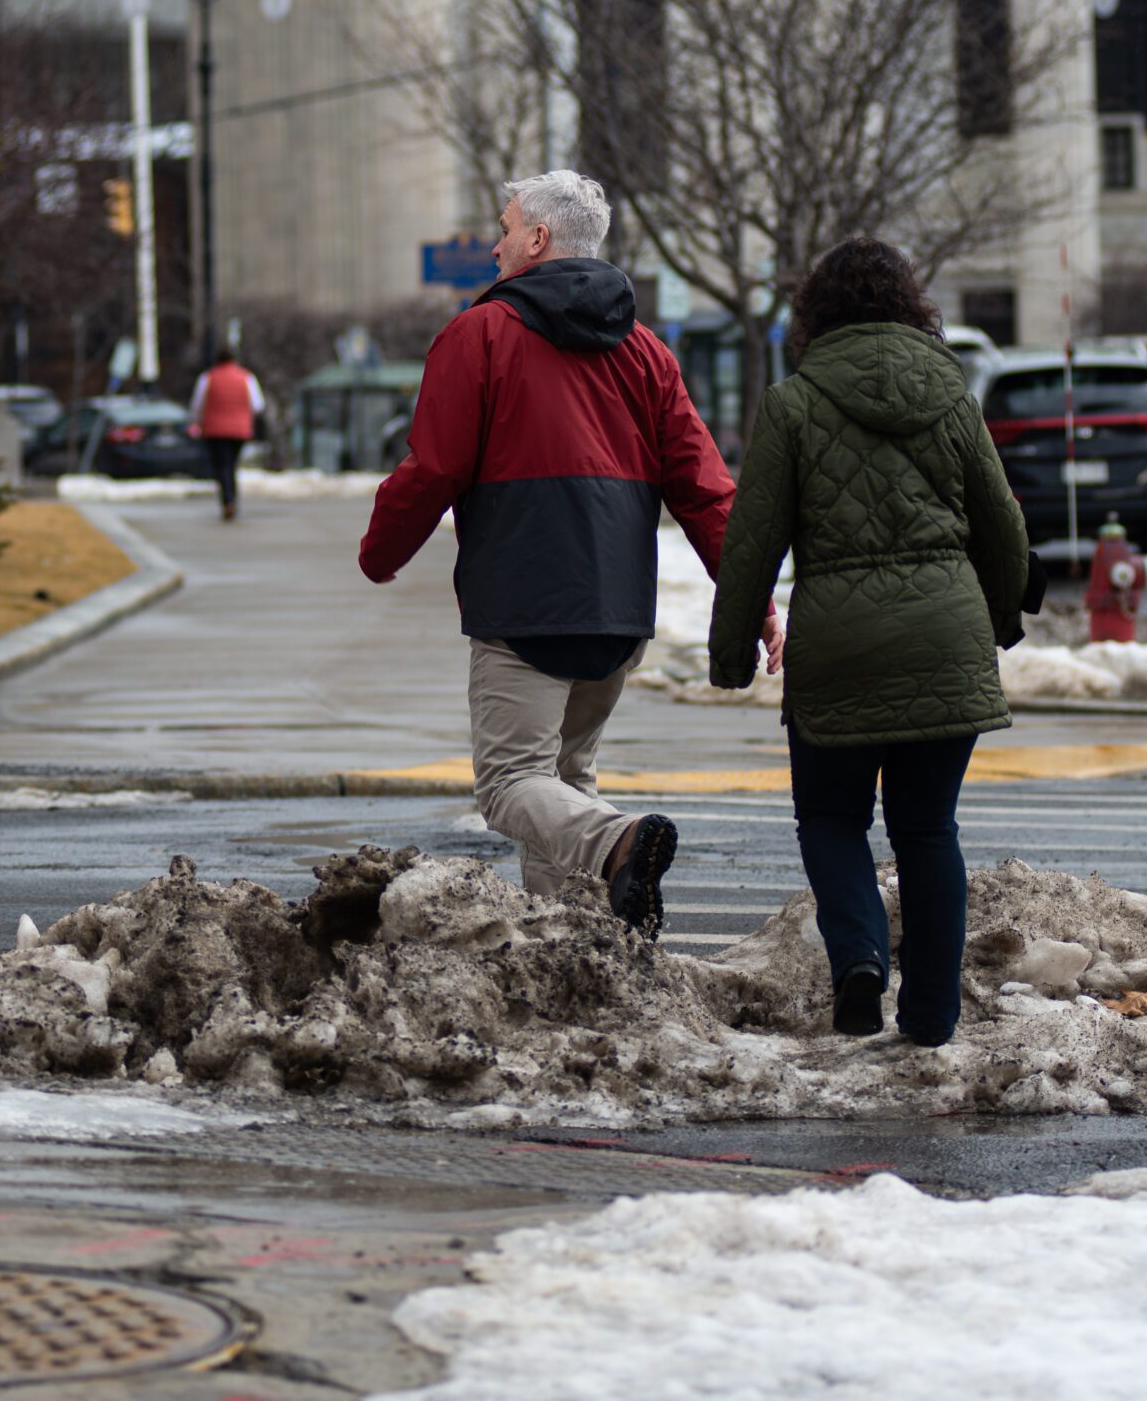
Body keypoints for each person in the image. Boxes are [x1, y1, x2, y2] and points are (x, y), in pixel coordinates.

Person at [359, 170, 779, 935]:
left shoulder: (477, 335)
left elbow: (434, 467)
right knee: (563, 780)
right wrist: (753, 599)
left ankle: (620, 840)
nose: (494, 243)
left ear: (538, 240)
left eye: (504, 226)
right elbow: (706, 487)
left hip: (525, 604)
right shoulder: (646, 351)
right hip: (618, 611)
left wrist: (381, 550)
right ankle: (575, 945)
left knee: (512, 783)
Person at [707, 238, 1028, 1044]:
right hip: (945, 637)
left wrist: (731, 651)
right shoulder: (953, 395)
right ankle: (932, 1018)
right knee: (927, 830)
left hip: (839, 646)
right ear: (912, 306)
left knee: (831, 818)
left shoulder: (793, 403)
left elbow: (752, 544)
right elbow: (1006, 528)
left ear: (815, 313)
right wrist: (997, 620)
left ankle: (857, 961)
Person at [190, 346, 264, 521]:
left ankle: (228, 501)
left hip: (214, 429)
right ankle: (232, 500)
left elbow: (197, 404)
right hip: (239, 430)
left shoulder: (208, 377)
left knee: (221, 466)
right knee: (231, 464)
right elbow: (257, 405)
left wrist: (197, 420)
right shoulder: (247, 377)